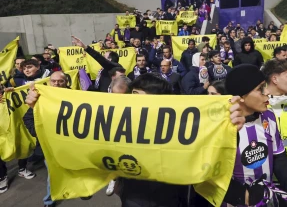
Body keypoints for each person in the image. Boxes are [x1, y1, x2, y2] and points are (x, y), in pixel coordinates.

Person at [24, 72, 250, 207]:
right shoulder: (118, 124)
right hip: (134, 200)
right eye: (132, 96)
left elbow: (213, 147)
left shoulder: (179, 125)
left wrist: (232, 128)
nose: (133, 103)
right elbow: (62, 135)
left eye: (140, 97)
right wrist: (37, 108)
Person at [222, 64, 287, 207]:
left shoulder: (268, 116)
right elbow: (210, 174)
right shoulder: (223, 124)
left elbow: (279, 157)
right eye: (260, 89)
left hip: (266, 200)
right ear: (241, 96)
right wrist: (241, 196)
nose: (268, 92)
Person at [22, 71, 69, 207]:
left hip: (71, 145)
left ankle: (80, 190)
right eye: (54, 81)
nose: (57, 84)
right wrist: (40, 133)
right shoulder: (41, 98)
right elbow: (28, 118)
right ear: (49, 82)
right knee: (52, 175)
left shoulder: (76, 97)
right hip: (50, 146)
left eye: (60, 81)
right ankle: (49, 201)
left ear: (66, 82)